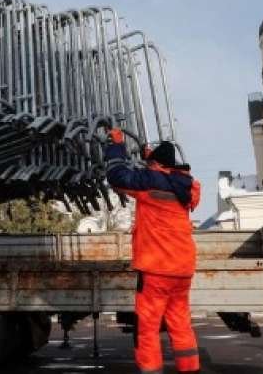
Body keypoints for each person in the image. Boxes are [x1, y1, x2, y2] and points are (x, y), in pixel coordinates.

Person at [104, 129, 201, 374]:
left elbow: (116, 176)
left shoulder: (149, 181)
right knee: (180, 325)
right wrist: (151, 160)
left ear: (156, 164)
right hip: (182, 269)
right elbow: (164, 175)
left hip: (156, 269)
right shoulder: (187, 185)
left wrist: (116, 145)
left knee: (147, 328)